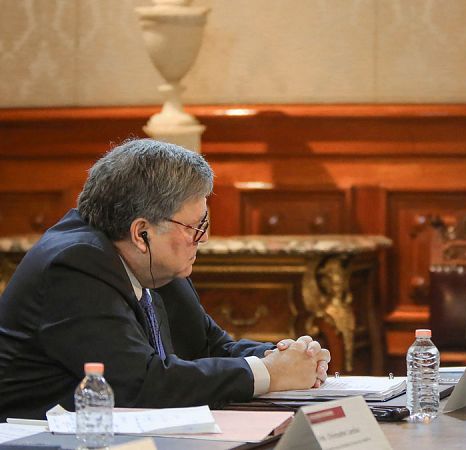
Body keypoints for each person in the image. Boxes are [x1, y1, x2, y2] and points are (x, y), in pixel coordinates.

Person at [0, 139, 330, 420]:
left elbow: (208, 346)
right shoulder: (73, 265)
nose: (202, 239)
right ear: (141, 233)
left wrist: (286, 356)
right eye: (195, 227)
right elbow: (138, 384)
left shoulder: (151, 259)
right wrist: (269, 374)